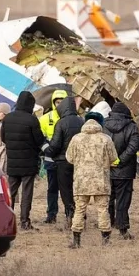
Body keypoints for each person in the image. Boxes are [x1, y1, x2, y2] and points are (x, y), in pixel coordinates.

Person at [65, 118, 118, 248]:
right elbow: (114, 158)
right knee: (103, 210)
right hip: (101, 180)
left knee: (79, 209)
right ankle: (105, 241)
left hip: (81, 181)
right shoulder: (105, 139)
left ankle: (76, 241)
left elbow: (69, 158)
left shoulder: (76, 139)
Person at [0, 91, 46, 231]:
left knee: (11, 193)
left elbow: (3, 138)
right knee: (27, 192)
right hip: (28, 162)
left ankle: (8, 221)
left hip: (13, 162)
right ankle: (25, 222)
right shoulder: (32, 120)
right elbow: (39, 140)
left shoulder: (8, 118)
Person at [102, 102, 139, 240]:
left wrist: (110, 160)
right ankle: (123, 228)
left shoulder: (104, 125)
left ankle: (108, 224)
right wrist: (120, 160)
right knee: (123, 200)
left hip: (107, 169)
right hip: (125, 171)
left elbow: (100, 145)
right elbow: (133, 146)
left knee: (108, 198)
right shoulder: (132, 127)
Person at [45, 96, 84, 229]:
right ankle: (81, 216)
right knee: (78, 190)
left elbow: (55, 145)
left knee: (65, 190)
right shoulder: (81, 121)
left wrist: (48, 151)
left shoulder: (61, 123)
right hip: (80, 162)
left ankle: (70, 214)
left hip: (63, 162)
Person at [38, 89, 68, 224]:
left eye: (62, 102)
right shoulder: (45, 118)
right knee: (52, 189)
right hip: (51, 160)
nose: (59, 104)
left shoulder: (70, 119)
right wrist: (47, 150)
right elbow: (40, 138)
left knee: (68, 188)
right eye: (57, 102)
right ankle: (51, 214)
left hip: (66, 160)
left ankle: (70, 213)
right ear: (53, 102)